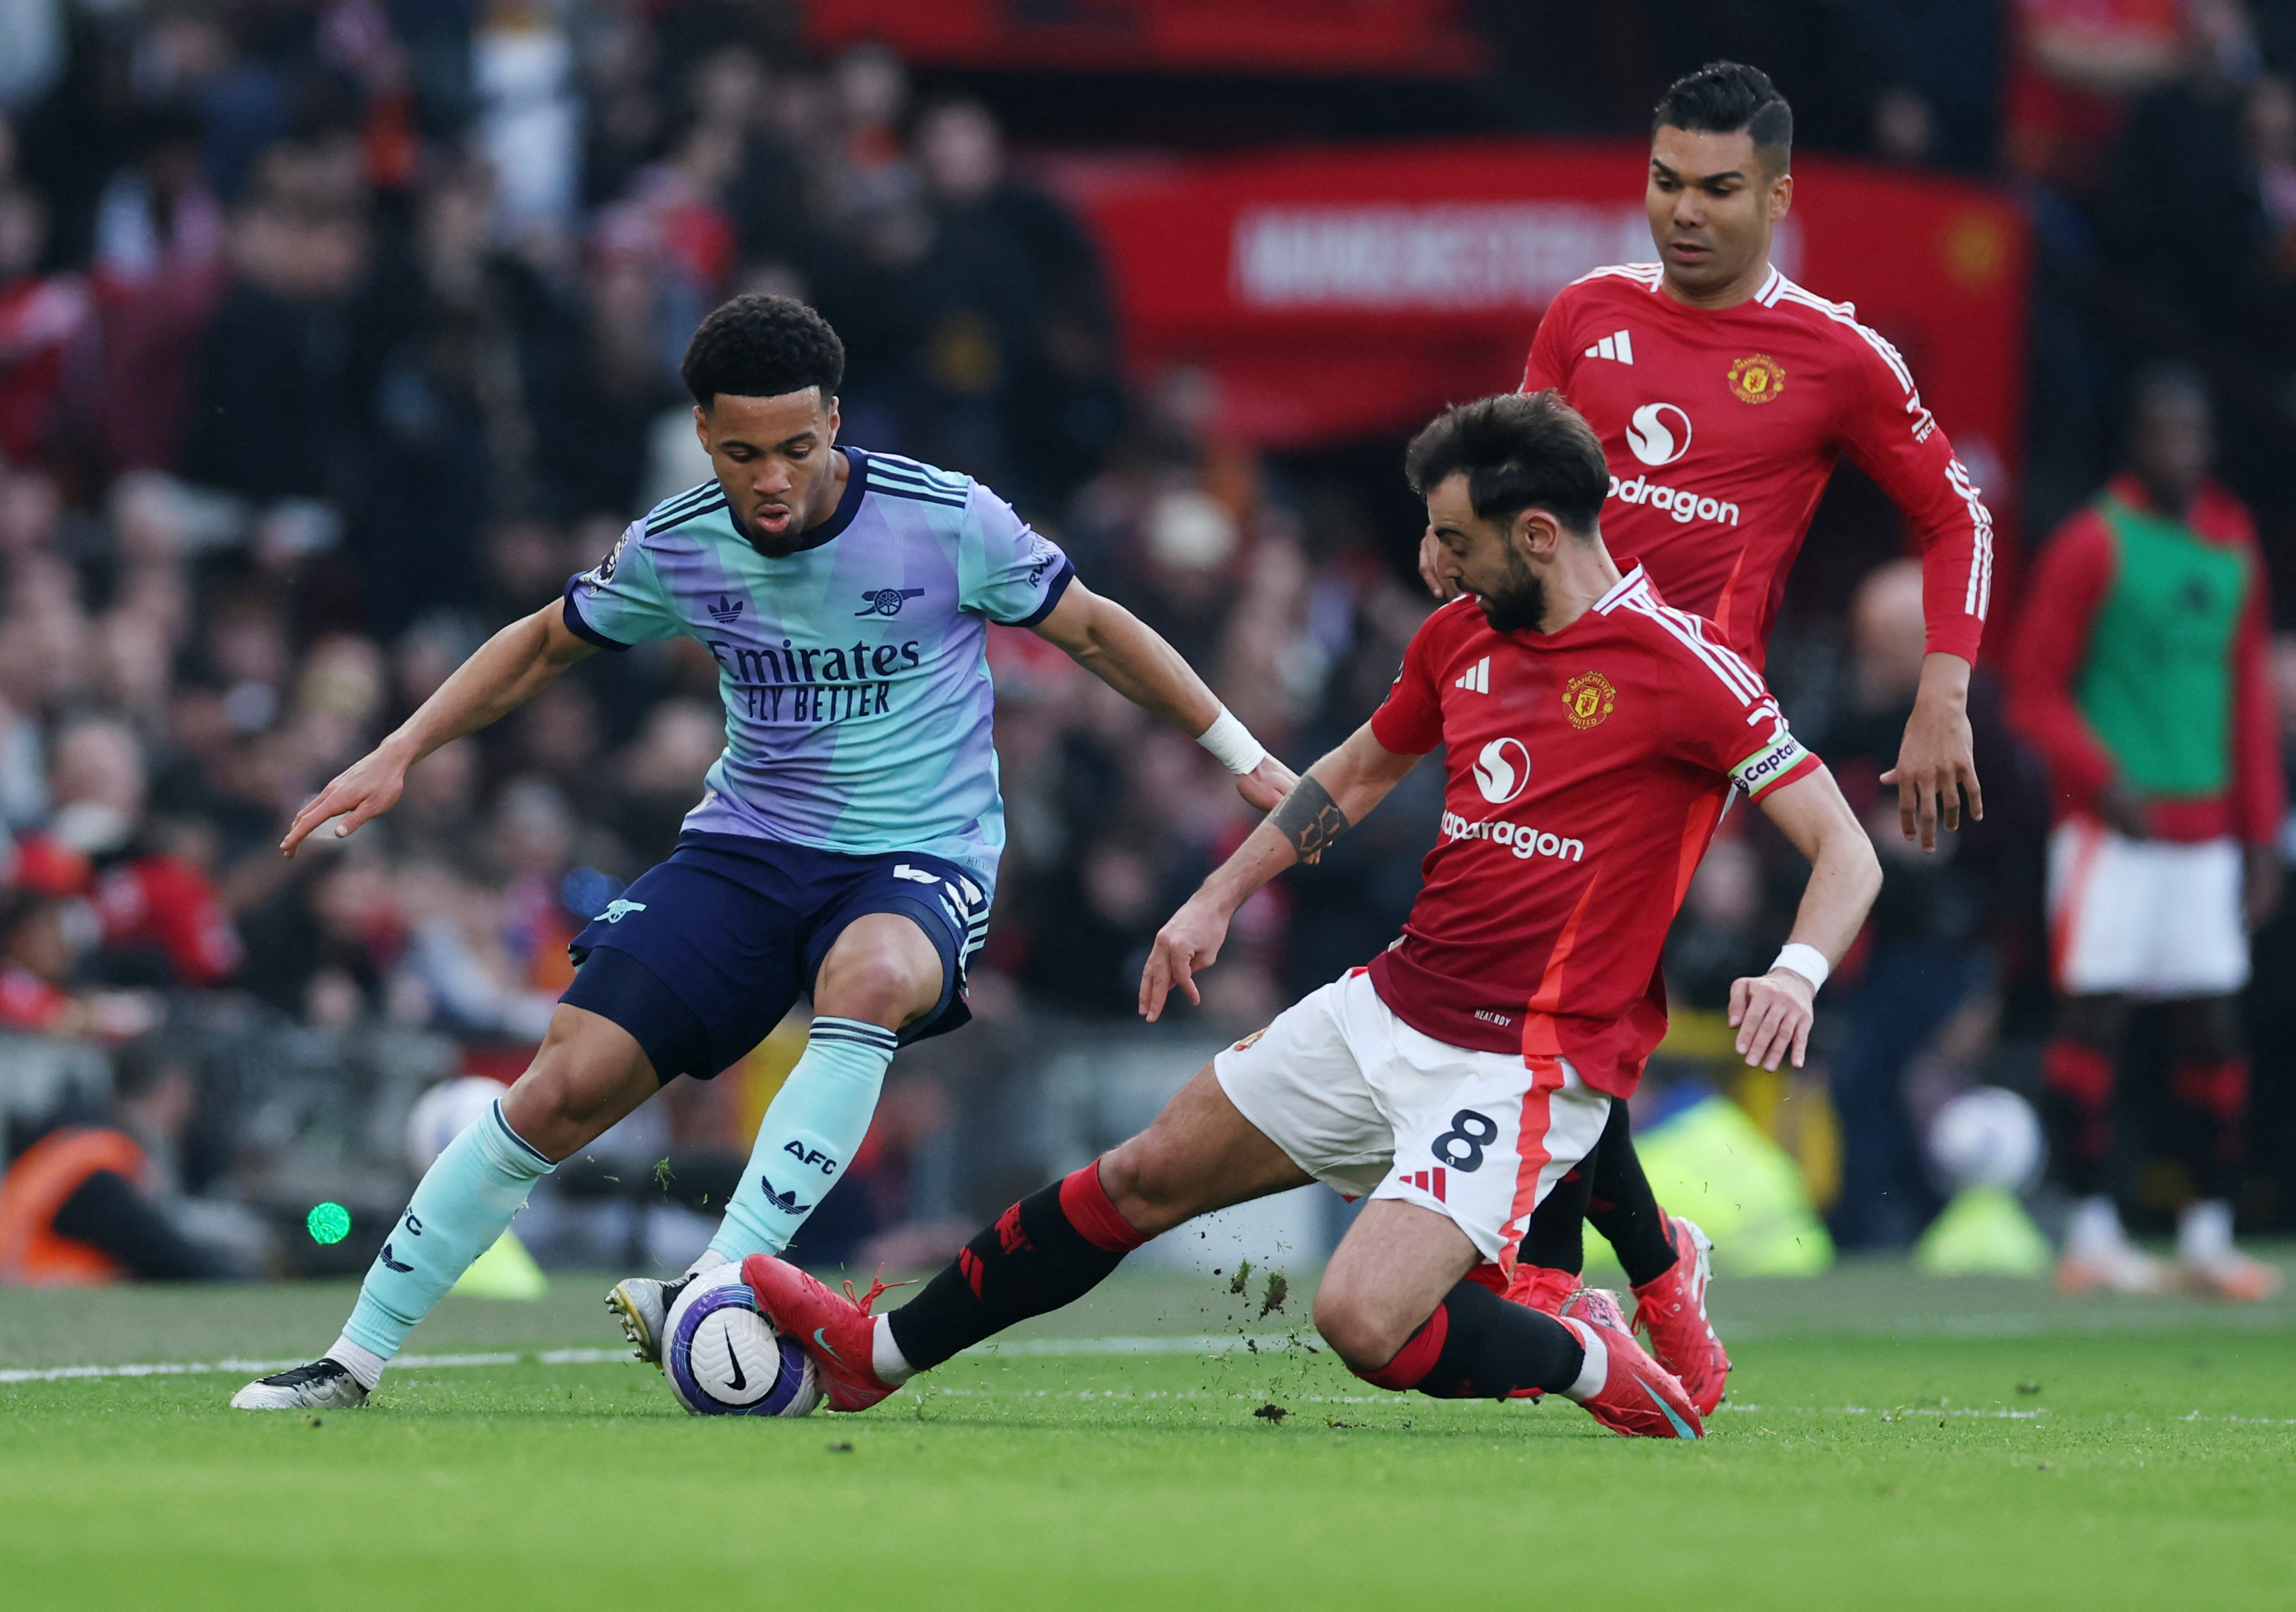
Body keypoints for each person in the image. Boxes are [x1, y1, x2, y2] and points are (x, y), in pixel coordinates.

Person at [741, 392, 1881, 1436]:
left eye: (1455, 540)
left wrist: (1794, 972)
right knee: (1139, 1179)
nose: (1432, 564)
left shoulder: (1690, 671)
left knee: (1362, 1324)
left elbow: (1845, 850)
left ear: (1538, 535)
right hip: (1387, 1007)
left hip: (1524, 1063)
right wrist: (1213, 898)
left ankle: (1592, 1362)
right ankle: (873, 1356)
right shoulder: (1460, 637)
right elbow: (1351, 776)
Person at [231, 294, 1294, 1410]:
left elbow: (1090, 625)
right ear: (703, 436)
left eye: (797, 447)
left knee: (874, 979)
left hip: (917, 854)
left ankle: (713, 1279)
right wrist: (398, 750)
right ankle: (351, 1360)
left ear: (834, 422)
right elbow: (546, 642)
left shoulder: (946, 520)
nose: (772, 478)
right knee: (562, 1087)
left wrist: (1236, 750)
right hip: (746, 848)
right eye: (743, 453)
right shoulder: (679, 543)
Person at [1416, 61, 1996, 1412]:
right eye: (1667, 181)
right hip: (1535, 688)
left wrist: (1943, 690)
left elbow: (1955, 513)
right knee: (1533, 989)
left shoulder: (1840, 357)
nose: (1686, 211)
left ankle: (1565, 1280)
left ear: (1778, 196)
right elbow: (1510, 483)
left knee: (1556, 991)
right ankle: (1649, 1268)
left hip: (1684, 724)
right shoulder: (1585, 315)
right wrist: (1453, 539)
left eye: (1719, 189)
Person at [2007, 364, 2283, 1300]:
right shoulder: (2094, 542)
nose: (2181, 449)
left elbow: (2246, 701)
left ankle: (2207, 1237)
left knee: (2213, 1026)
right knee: (2096, 1020)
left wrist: (2261, 837)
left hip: (2207, 836)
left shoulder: (2232, 539)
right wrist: (2101, 778)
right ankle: (2091, 1230)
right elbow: (2033, 690)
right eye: (2163, 432)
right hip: (2111, 834)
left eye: (2192, 433)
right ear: (2135, 442)